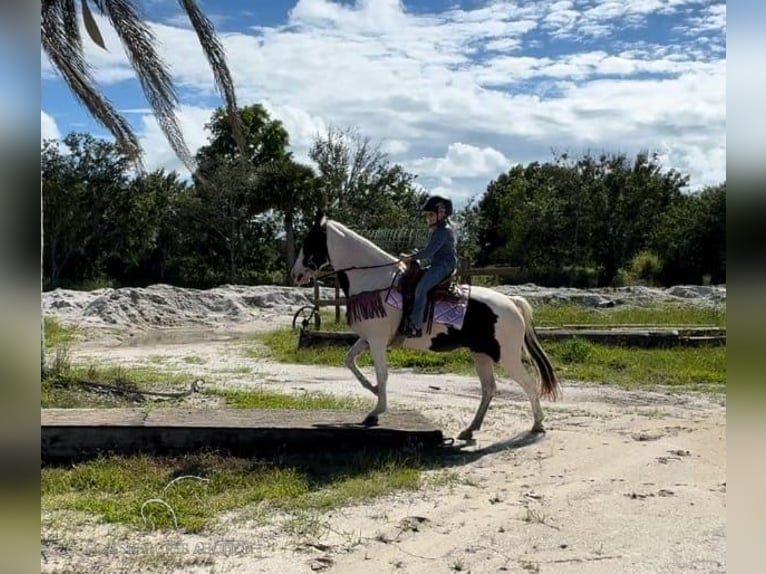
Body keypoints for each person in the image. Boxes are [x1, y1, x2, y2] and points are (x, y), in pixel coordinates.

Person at [400, 194, 458, 338]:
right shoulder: (439, 230)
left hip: (444, 265)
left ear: (442, 214)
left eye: (431, 214)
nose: (428, 218)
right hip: (438, 264)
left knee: (421, 289)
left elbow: (429, 251)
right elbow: (430, 253)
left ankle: (415, 326)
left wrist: (410, 257)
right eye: (428, 215)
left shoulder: (443, 231)